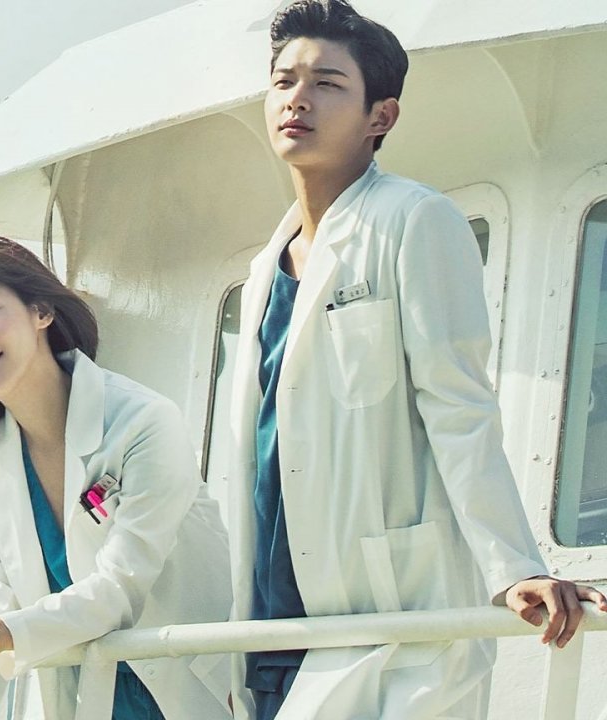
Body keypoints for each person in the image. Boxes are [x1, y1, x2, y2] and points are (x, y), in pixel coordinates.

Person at [226, 2, 607, 718]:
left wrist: (514, 567)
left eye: (327, 83)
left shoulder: (415, 221)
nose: (297, 99)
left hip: (391, 610)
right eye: (284, 81)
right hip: (273, 620)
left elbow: (458, 405)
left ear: (382, 116)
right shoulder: (260, 272)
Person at [0, 237, 232, 720]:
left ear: (41, 311)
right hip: (82, 690)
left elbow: (120, 587)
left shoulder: (143, 421)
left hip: (182, 685)